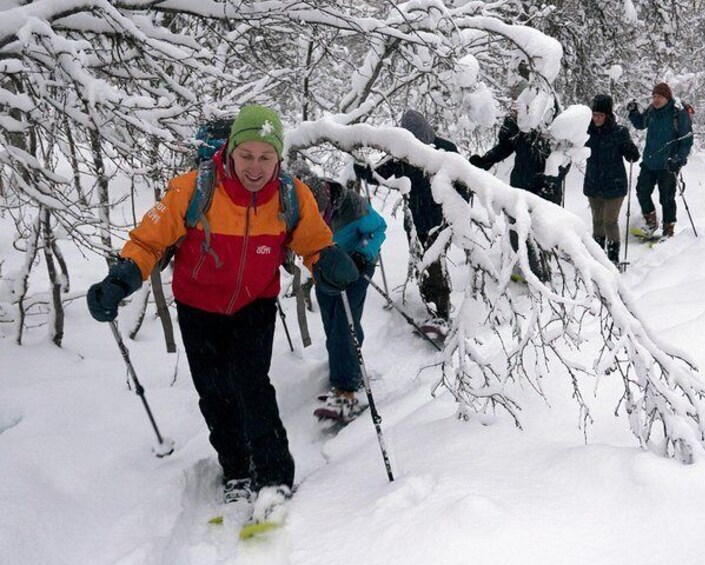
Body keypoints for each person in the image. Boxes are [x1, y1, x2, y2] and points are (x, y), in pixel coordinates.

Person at [86, 105, 359, 519]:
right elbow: (148, 242)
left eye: (265, 156)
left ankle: (274, 477)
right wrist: (122, 277)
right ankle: (235, 470)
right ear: (230, 152)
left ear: (278, 158)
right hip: (198, 308)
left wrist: (328, 260)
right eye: (246, 155)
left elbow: (314, 243)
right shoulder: (193, 189)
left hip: (254, 304)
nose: (255, 167)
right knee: (214, 393)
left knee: (253, 387)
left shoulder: (291, 195)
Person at [353, 109, 459, 328]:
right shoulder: (401, 152)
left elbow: (462, 183)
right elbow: (379, 174)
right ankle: (432, 306)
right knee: (423, 263)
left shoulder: (445, 149)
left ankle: (442, 313)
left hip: (441, 220)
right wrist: (362, 169)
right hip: (415, 219)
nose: (417, 145)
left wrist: (459, 213)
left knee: (434, 263)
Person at [301, 174, 387, 422]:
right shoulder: (301, 207)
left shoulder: (353, 204)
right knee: (331, 322)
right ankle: (347, 373)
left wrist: (363, 254)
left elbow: (379, 228)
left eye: (320, 212)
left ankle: (346, 389)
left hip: (357, 265)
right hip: (326, 267)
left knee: (344, 323)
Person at [469, 80, 568, 282]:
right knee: (517, 228)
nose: (516, 105)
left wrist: (553, 181)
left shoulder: (550, 120)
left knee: (541, 230)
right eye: (516, 102)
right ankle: (526, 267)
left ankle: (541, 273)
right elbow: (505, 147)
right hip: (520, 185)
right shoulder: (518, 123)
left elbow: (564, 156)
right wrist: (485, 160)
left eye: (520, 101)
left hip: (545, 188)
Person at [626, 82, 693, 238]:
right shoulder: (651, 111)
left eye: (660, 97)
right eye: (654, 96)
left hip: (668, 164)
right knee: (642, 192)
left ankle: (668, 230)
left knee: (667, 198)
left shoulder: (678, 114)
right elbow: (641, 124)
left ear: (667, 98)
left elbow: (687, 140)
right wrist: (634, 112)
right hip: (650, 161)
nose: (656, 100)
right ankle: (651, 222)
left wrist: (678, 159)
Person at [583, 94, 640, 266]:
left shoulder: (619, 133)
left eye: (600, 115)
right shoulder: (586, 132)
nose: (596, 118)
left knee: (610, 221)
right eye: (594, 114)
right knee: (597, 221)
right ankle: (598, 257)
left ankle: (613, 259)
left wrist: (630, 149)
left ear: (607, 115)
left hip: (614, 185)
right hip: (593, 184)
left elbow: (633, 156)